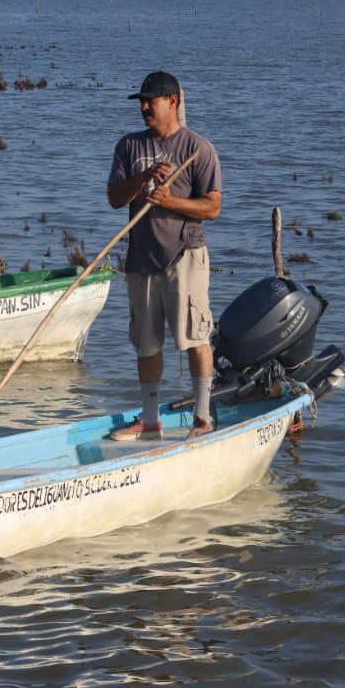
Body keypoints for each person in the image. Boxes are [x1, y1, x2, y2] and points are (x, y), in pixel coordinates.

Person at [106, 70, 223, 441]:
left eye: (150, 101)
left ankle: (202, 417)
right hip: (141, 258)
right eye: (141, 101)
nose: (143, 107)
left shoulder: (198, 149)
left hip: (184, 255)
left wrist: (171, 201)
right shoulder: (129, 146)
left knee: (194, 336)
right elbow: (114, 198)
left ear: (172, 101)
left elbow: (213, 207)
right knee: (145, 341)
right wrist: (143, 181)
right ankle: (151, 419)